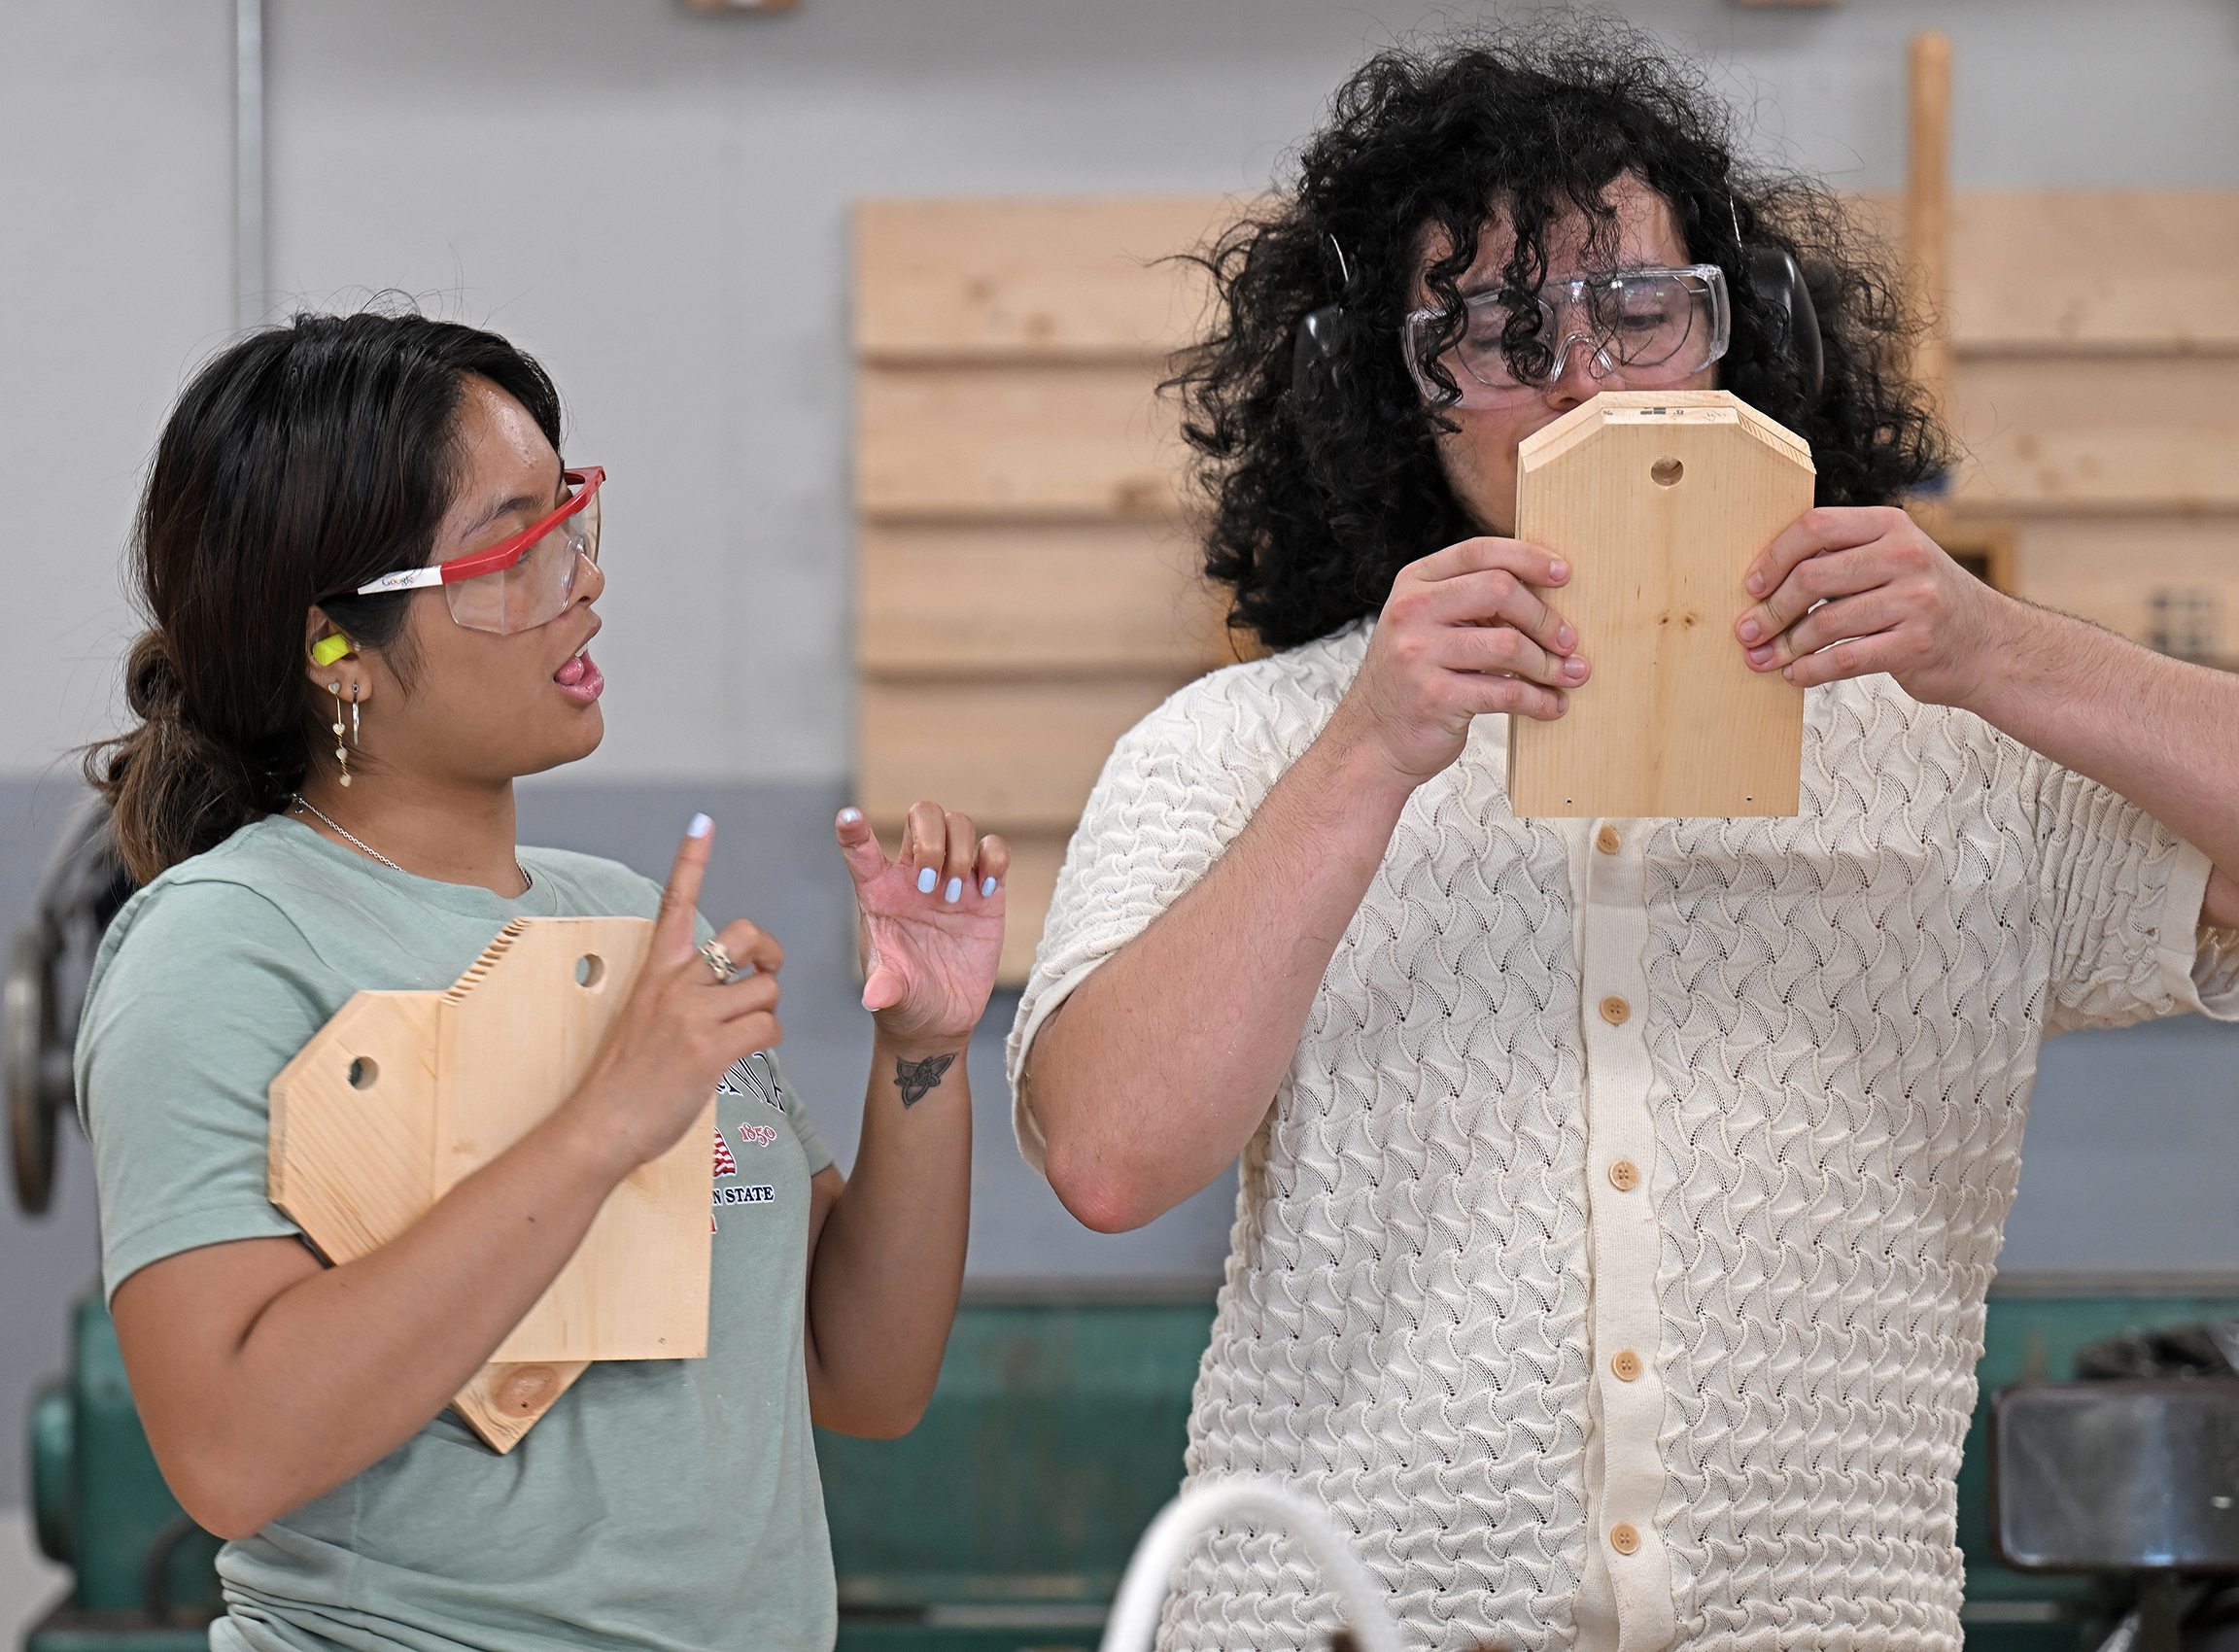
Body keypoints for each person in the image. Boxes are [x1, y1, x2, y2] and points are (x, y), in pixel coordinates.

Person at [1008, 26, 2239, 1652]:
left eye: (1638, 308)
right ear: (1399, 389)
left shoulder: (1957, 744)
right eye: (1499, 334)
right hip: (1339, 1619)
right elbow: (1105, 1156)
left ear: (1734, 335)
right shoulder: (1238, 745)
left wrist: (2002, 650)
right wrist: (1371, 750)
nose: (1585, 377)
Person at [77, 309, 1009, 1652]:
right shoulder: (217, 948)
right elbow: (228, 1452)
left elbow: (858, 1375)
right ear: (336, 647)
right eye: (508, 551)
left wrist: (920, 1052)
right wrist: (599, 1130)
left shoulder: (630, 919)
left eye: (569, 520)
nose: (580, 581)